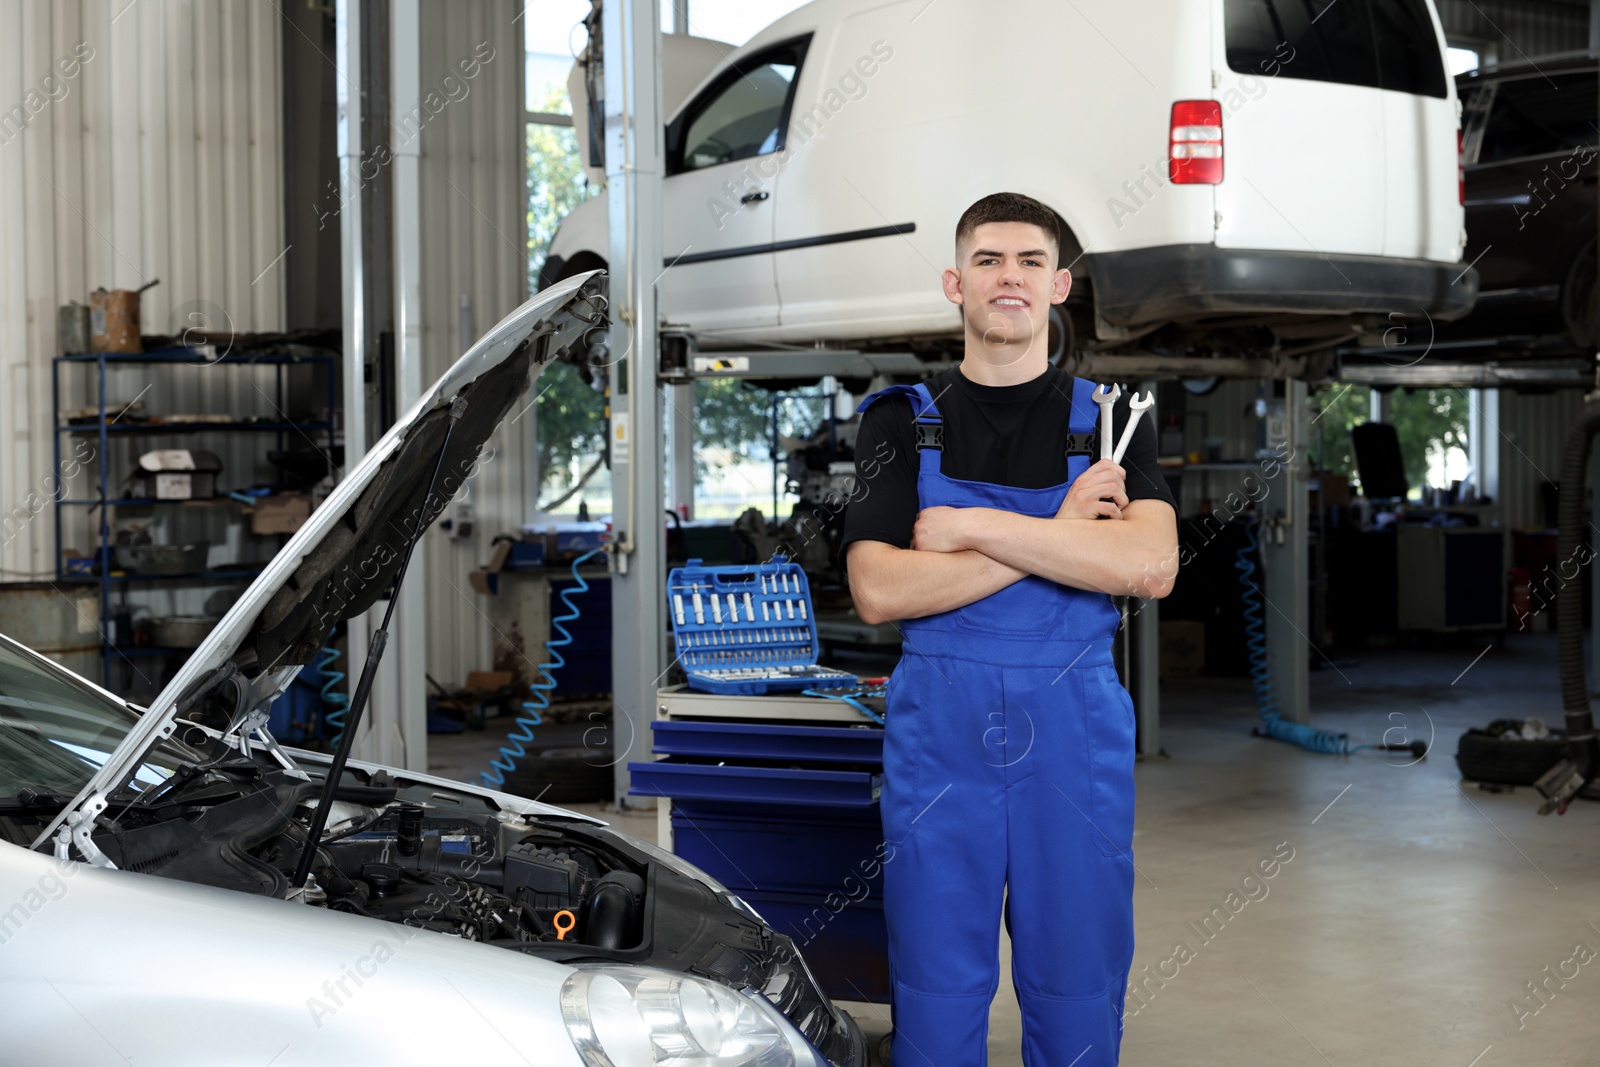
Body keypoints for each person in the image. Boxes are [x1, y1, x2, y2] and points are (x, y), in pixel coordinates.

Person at [841, 191, 1178, 1066]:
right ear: (956, 282)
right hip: (939, 740)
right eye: (988, 260)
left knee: (1077, 985)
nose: (1010, 277)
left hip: (1075, 741)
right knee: (936, 987)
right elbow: (879, 588)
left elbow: (1150, 567)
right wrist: (1068, 533)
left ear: (1060, 284)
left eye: (1031, 260)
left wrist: (974, 530)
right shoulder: (897, 421)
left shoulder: (1110, 422)